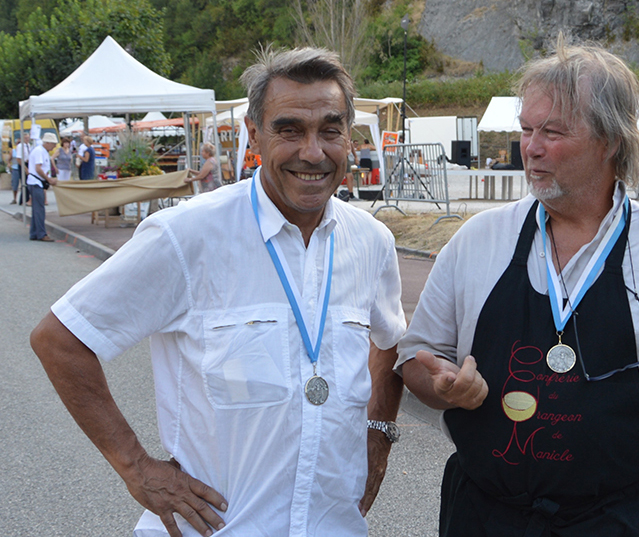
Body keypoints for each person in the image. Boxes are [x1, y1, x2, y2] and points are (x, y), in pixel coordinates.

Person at [31, 46, 406, 537]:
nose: (313, 152)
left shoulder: (372, 242)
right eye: (290, 130)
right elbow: (61, 339)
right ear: (254, 134)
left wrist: (378, 435)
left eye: (330, 130)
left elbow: (390, 341)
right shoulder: (186, 236)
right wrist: (136, 468)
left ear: (349, 137)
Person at [396, 37, 639, 536]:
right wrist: (439, 385)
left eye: (553, 131)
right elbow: (416, 358)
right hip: (483, 514)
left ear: (611, 140)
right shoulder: (478, 239)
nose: (531, 147)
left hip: (614, 520)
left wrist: (627, 464)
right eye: (526, 129)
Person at [27, 132, 58, 241]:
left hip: (37, 182)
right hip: (36, 182)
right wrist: (48, 179)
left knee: (37, 209)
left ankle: (34, 233)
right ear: (47, 143)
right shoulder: (39, 151)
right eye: (53, 144)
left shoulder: (42, 151)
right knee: (39, 210)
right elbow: (38, 168)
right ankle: (41, 234)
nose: (54, 146)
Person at [15, 132, 32, 204]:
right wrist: (25, 168)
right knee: (24, 182)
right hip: (23, 164)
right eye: (25, 138)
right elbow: (18, 158)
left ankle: (26, 199)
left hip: (28, 163)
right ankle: (23, 199)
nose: (27, 139)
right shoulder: (20, 146)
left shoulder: (28, 145)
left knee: (28, 182)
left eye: (28, 138)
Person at [9, 136, 21, 204]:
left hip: (22, 168)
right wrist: (9, 164)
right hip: (15, 168)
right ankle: (15, 198)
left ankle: (24, 198)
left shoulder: (24, 150)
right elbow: (9, 159)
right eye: (18, 143)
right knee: (15, 183)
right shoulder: (13, 151)